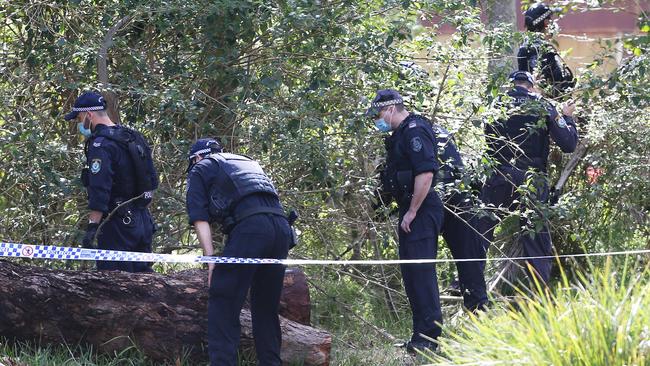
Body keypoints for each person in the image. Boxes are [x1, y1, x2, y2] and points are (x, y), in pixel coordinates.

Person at [185, 138, 292, 366]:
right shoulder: (246, 162)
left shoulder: (200, 168)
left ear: (196, 158)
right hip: (281, 228)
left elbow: (200, 218)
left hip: (252, 229)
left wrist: (210, 260)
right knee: (265, 307)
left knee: (223, 300)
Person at [480, 71, 578, 284]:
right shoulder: (543, 105)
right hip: (532, 179)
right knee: (536, 238)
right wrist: (567, 116)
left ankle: (467, 285)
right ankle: (540, 296)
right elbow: (568, 144)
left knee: (480, 231)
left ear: (511, 85)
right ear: (531, 87)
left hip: (499, 175)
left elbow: (487, 140)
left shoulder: (495, 103)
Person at [367, 89, 444, 352]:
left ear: (390, 109)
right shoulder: (399, 134)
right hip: (411, 208)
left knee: (421, 274)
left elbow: (425, 174)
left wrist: (412, 211)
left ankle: (430, 340)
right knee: (412, 276)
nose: (377, 121)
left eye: (378, 114)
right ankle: (419, 338)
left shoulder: (414, 130)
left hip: (421, 208)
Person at [64, 91, 158, 272]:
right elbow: (151, 181)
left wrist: (92, 227)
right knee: (144, 284)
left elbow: (100, 189)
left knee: (114, 288)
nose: (79, 123)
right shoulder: (133, 136)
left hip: (117, 224)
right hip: (143, 221)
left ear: (89, 115)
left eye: (79, 118)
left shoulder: (101, 144)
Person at [434, 125, 489, 311]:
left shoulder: (410, 131)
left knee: (469, 261)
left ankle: (477, 313)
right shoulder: (439, 130)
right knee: (470, 260)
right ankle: (478, 311)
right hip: (459, 197)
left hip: (440, 199)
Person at [517, 2, 576, 99]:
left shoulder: (525, 46)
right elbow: (551, 81)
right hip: (548, 106)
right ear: (546, 22)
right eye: (550, 19)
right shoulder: (540, 48)